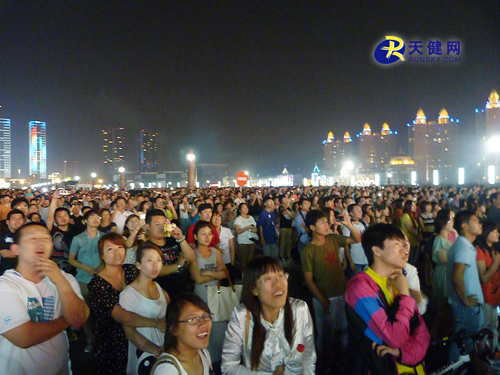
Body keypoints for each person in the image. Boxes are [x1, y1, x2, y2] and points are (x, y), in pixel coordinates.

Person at [0, 222, 89, 374]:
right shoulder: (5, 285)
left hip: (60, 369)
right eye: (32, 239)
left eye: (45, 239)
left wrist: (59, 280)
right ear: (16, 249)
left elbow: (78, 321)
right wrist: (65, 321)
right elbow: (24, 337)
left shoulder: (65, 279)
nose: (40, 243)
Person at [345, 224, 430, 375]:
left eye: (404, 244)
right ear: (377, 251)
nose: (405, 250)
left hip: (412, 368)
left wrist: (403, 354)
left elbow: (423, 335)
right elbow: (395, 338)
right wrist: (404, 294)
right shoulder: (360, 289)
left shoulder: (395, 280)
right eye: (397, 244)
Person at [221, 256, 316, 374]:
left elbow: (308, 357)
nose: (278, 284)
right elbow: (228, 367)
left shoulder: (299, 309)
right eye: (268, 279)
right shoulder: (241, 316)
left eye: (280, 276)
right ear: (254, 289)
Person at [88, 233, 166, 375]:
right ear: (102, 255)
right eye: (110, 249)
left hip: (140, 335)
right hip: (113, 341)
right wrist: (155, 323)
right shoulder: (97, 285)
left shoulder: (130, 270)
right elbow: (121, 315)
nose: (117, 252)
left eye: (120, 247)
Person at [301, 210, 360, 372]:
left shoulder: (333, 239)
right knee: (325, 336)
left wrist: (349, 224)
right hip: (324, 298)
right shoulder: (308, 250)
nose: (327, 225)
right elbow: (309, 280)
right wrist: (323, 300)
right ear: (312, 227)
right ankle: (324, 364)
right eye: (322, 222)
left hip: (341, 293)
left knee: (343, 329)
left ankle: (342, 360)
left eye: (326, 222)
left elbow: (357, 238)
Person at [119, 243, 170, 375]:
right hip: (144, 353)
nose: (155, 265)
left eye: (159, 260)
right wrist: (156, 350)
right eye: (149, 260)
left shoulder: (159, 288)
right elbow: (130, 333)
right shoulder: (128, 295)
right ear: (138, 265)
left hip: (164, 349)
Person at [446, 211, 484, 362]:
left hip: (463, 308)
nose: (480, 224)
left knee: (462, 345)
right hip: (465, 309)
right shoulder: (464, 246)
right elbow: (456, 276)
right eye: (475, 221)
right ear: (464, 226)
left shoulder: (463, 245)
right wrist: (466, 301)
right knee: (462, 347)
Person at [189, 220, 228, 363]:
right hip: (200, 297)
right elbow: (197, 279)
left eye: (210, 234)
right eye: (203, 234)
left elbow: (224, 273)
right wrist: (214, 273)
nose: (207, 237)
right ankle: (205, 363)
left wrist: (207, 273)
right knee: (202, 330)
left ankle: (217, 363)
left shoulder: (216, 252)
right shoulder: (192, 254)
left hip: (215, 295)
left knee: (218, 333)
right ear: (196, 236)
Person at [68, 209, 104, 353]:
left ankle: (102, 338)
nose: (96, 219)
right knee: (86, 311)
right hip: (83, 279)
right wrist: (86, 268)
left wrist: (101, 267)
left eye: (98, 217)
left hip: (101, 278)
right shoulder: (78, 239)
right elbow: (71, 260)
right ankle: (90, 339)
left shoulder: (104, 237)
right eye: (92, 217)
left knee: (102, 311)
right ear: (85, 221)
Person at [152, 293, 214, 375]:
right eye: (193, 319)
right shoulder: (167, 370)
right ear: (174, 329)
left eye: (206, 316)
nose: (203, 324)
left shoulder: (203, 354)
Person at [144, 209, 196, 300]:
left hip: (183, 291)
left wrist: (181, 239)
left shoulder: (173, 241)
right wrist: (178, 265)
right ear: (147, 226)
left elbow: (191, 258)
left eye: (164, 223)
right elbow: (156, 271)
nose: (161, 227)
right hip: (162, 296)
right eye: (157, 224)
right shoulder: (146, 247)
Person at [474, 221, 500, 332]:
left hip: (494, 295)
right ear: (486, 233)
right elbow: (483, 278)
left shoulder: (492, 250)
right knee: (485, 327)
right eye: (494, 232)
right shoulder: (479, 251)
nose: (497, 234)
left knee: (493, 326)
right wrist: (496, 263)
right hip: (485, 296)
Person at [432, 209, 454, 303]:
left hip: (447, 271)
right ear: (443, 224)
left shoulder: (446, 239)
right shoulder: (439, 240)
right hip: (444, 273)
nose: (452, 223)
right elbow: (443, 260)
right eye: (450, 221)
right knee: (444, 300)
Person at [211, 211, 239, 284]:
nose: (217, 219)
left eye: (219, 217)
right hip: (214, 263)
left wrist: (232, 264)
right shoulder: (209, 232)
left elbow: (232, 248)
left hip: (227, 261)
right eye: (214, 218)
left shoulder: (227, 231)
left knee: (228, 285)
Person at [0, 209, 25, 275]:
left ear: (24, 221)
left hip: (25, 273)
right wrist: (27, 254)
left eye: (20, 218)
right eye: (14, 218)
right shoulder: (3, 236)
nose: (17, 221)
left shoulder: (28, 236)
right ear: (8, 222)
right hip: (7, 273)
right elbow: (4, 253)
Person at [233, 203, 257, 271]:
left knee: (250, 259)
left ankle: (249, 275)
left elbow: (255, 227)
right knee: (243, 260)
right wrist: (248, 227)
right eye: (244, 208)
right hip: (243, 242)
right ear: (240, 210)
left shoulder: (251, 217)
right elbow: (238, 231)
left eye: (246, 207)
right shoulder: (238, 219)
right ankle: (243, 275)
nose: (246, 209)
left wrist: (253, 229)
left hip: (251, 241)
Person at [400, 200, 423, 265]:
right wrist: (418, 237)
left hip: (414, 242)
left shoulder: (411, 216)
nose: (415, 207)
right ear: (408, 206)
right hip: (410, 242)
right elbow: (409, 229)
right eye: (413, 205)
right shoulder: (406, 215)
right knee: (411, 262)